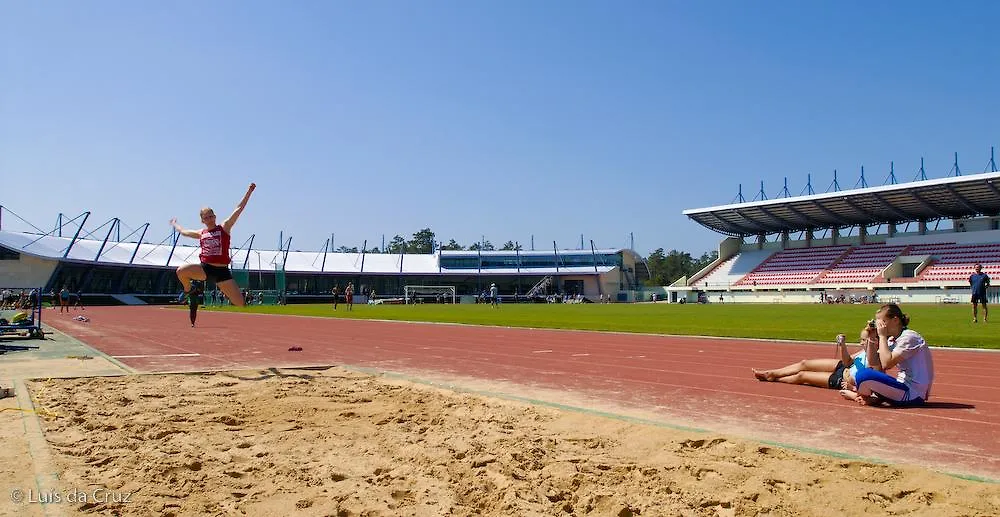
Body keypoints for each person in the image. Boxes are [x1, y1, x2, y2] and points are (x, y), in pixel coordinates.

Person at [171, 183, 255, 309]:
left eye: (211, 216)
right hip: (206, 269)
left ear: (215, 217)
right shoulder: (201, 233)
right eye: (206, 218)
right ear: (202, 221)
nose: (209, 219)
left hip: (222, 272)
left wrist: (249, 191)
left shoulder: (224, 227)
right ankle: (189, 290)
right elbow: (184, 232)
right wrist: (175, 224)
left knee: (240, 303)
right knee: (181, 271)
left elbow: (239, 209)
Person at [847, 303, 934, 407]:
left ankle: (861, 396)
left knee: (863, 375)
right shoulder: (892, 339)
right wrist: (871, 339)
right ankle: (872, 398)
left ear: (895, 320)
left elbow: (886, 364)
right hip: (902, 386)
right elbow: (875, 365)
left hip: (913, 394)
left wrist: (882, 336)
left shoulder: (910, 337)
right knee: (862, 373)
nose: (879, 326)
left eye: (882, 322)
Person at [753, 325, 879, 390]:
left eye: (864, 340)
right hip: (842, 367)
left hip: (841, 379)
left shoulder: (877, 359)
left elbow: (873, 382)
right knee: (804, 363)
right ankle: (773, 373)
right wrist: (843, 345)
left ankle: (775, 379)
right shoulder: (863, 351)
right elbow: (847, 362)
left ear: (874, 340)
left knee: (802, 376)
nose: (861, 343)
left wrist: (854, 389)